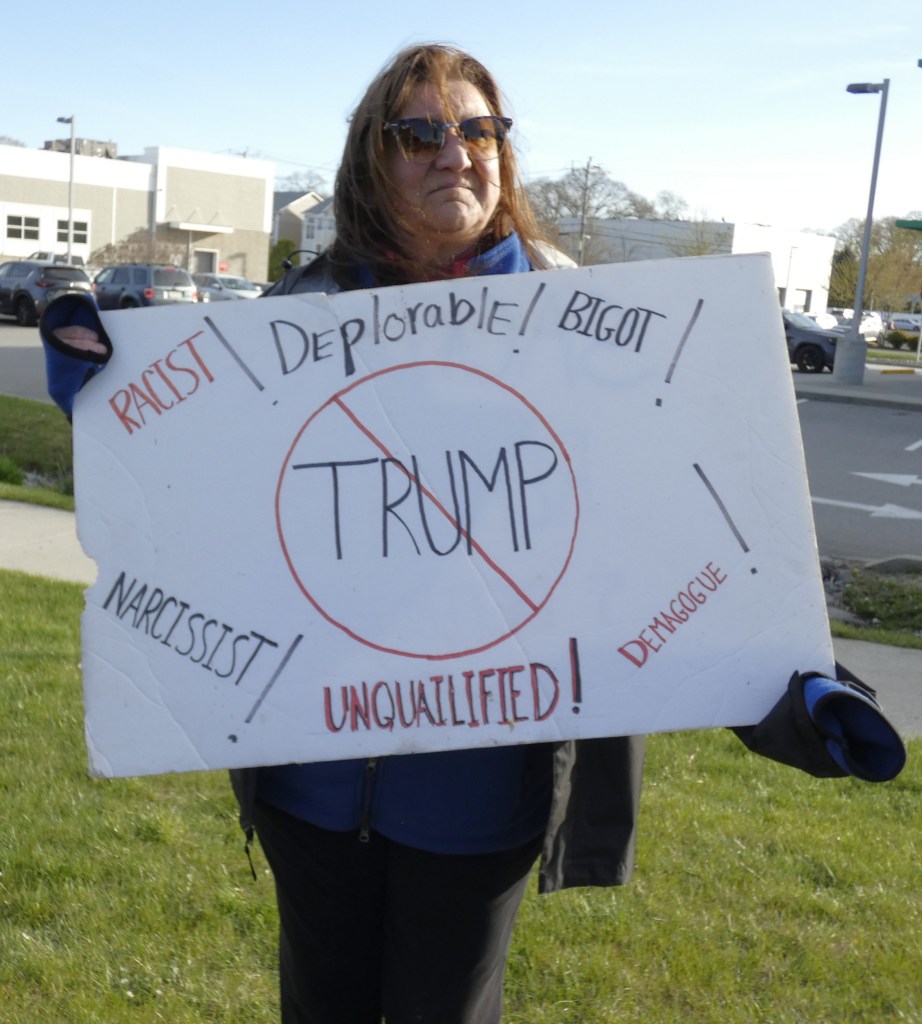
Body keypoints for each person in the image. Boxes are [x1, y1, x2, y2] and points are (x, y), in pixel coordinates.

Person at [40, 43, 905, 1024]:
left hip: (481, 793)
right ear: (371, 159)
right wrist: (109, 391)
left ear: (503, 152)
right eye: (419, 134)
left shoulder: (590, 332)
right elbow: (197, 492)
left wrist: (796, 691)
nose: (454, 152)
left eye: (478, 129)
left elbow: (675, 537)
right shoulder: (289, 319)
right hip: (309, 785)